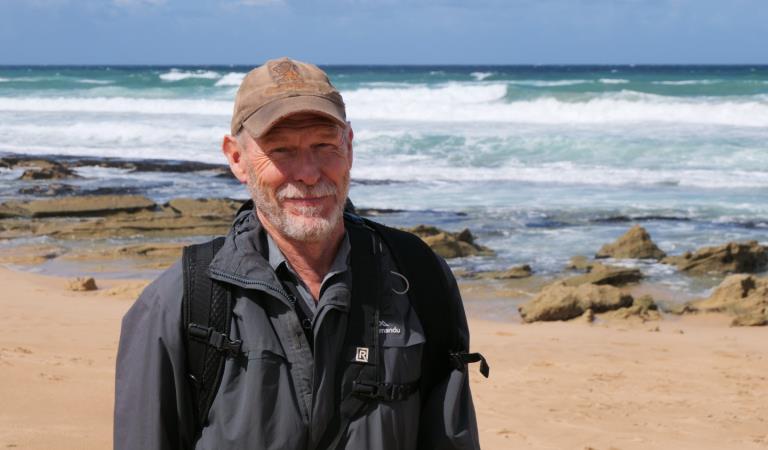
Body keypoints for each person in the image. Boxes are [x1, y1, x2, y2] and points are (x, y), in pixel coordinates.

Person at [114, 57, 483, 450]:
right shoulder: (180, 302)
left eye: (324, 145)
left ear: (350, 146)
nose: (309, 173)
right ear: (236, 158)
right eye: (282, 150)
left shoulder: (418, 278)